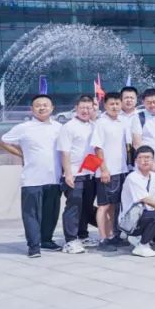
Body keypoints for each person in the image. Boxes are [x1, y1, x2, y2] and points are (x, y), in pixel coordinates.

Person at [0, 94, 61, 257]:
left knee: (51, 212)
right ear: (32, 109)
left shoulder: (59, 127)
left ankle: (46, 240)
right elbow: (3, 142)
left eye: (45, 105)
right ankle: (33, 246)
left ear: (52, 108)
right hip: (32, 178)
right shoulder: (24, 127)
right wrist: (22, 154)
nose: (42, 108)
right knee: (31, 213)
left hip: (54, 177)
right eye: (38, 105)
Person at [88, 92, 130, 251]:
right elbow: (97, 147)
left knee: (114, 205)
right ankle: (103, 239)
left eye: (117, 103)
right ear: (105, 105)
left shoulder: (122, 121)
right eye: (111, 104)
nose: (115, 107)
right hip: (106, 172)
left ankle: (112, 235)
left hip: (120, 170)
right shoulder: (101, 123)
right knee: (103, 206)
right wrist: (104, 169)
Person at [55, 94, 97, 254]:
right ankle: (70, 240)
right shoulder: (69, 127)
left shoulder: (94, 125)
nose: (85, 111)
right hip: (74, 174)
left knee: (86, 206)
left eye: (89, 108)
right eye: (82, 108)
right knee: (74, 206)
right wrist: (68, 174)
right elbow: (64, 152)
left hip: (90, 173)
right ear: (76, 108)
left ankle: (83, 235)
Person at [130, 88, 155, 173]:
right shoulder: (138, 117)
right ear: (143, 102)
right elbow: (137, 144)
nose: (152, 105)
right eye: (149, 103)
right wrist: (151, 164)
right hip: (144, 166)